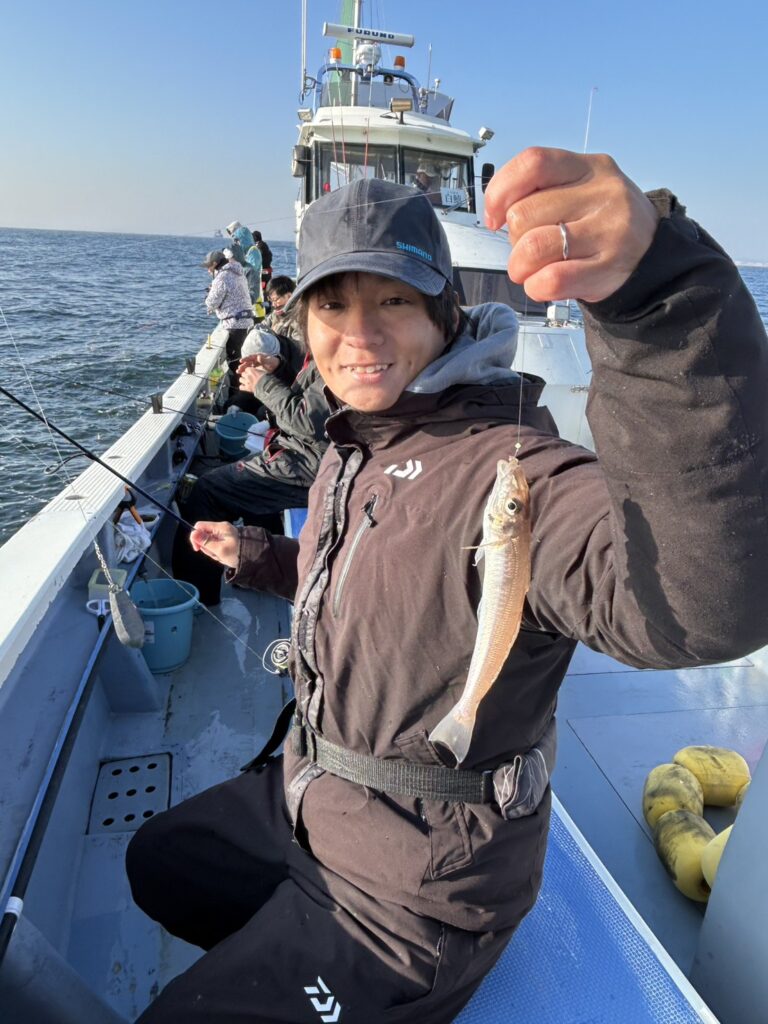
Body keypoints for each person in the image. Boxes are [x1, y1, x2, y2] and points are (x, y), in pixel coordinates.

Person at [127, 153, 768, 1022]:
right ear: (304, 321)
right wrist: (262, 557)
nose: (360, 334)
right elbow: (368, 576)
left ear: (446, 313)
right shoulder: (356, 441)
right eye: (333, 304)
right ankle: (283, 948)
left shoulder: (520, 471)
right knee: (159, 863)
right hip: (314, 791)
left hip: (419, 881)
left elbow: (699, 608)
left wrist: (659, 296)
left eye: (393, 300)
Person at [170, 322, 329, 606]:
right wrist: (278, 370)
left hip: (311, 462)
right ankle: (255, 569)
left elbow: (307, 422)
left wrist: (263, 384)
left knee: (207, 490)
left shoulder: (342, 358)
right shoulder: (330, 354)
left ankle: (197, 600)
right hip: (302, 454)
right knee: (244, 488)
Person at [202, 249, 254, 399]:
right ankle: (245, 396)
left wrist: (208, 294)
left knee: (235, 366)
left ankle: (239, 399)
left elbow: (211, 303)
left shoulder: (222, 277)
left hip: (234, 325)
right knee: (243, 363)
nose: (208, 270)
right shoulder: (238, 272)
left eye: (208, 267)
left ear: (214, 264)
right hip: (246, 323)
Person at [250, 229, 273, 296]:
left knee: (263, 289)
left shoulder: (260, 246)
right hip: (266, 271)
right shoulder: (263, 245)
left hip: (263, 271)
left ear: (255, 237)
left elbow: (258, 258)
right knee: (265, 289)